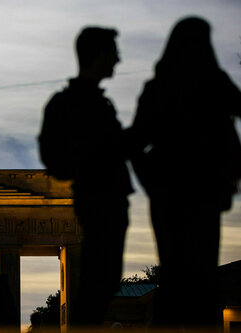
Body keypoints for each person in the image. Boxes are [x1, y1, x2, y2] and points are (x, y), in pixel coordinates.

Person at [129, 16, 241, 328]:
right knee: (187, 272)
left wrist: (150, 179)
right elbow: (135, 142)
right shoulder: (209, 83)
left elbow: (134, 141)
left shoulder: (173, 85)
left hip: (189, 194)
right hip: (186, 195)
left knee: (192, 272)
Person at [38, 27, 132, 326]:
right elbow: (54, 157)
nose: (118, 59)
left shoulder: (91, 101)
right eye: (113, 51)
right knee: (97, 282)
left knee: (100, 282)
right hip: (99, 198)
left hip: (107, 198)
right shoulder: (74, 103)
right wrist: (90, 161)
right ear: (98, 55)